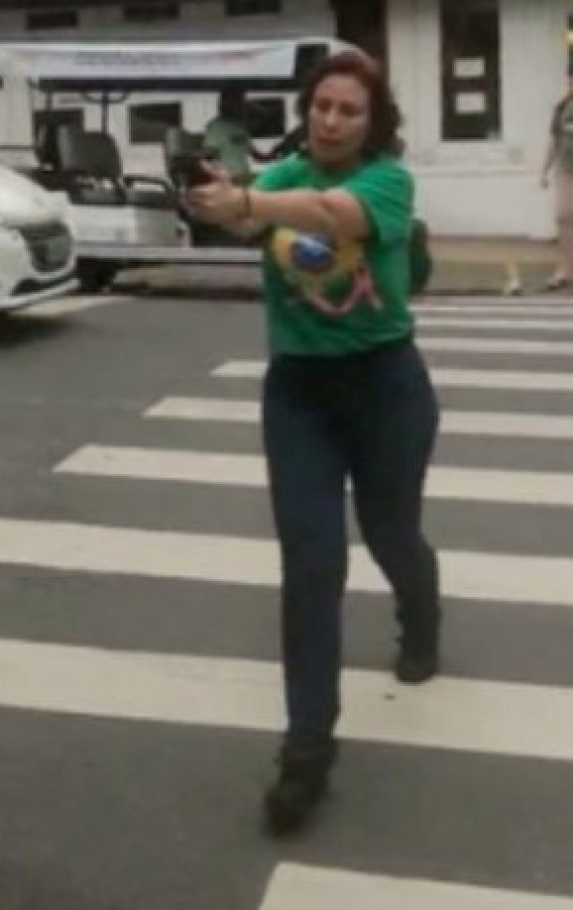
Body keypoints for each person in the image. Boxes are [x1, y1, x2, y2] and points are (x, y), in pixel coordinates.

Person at [183, 50, 441, 837]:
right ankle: (305, 753)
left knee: (390, 532)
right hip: (299, 395)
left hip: (386, 389)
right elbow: (233, 211)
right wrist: (219, 200)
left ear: (373, 123)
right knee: (311, 565)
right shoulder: (277, 176)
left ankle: (421, 615)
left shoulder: (387, 182)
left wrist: (251, 204)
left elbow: (330, 216)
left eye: (348, 110)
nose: (330, 120)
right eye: (321, 106)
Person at [536, 77, 573, 292]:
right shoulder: (561, 109)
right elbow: (554, 140)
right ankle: (566, 268)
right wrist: (544, 169)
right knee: (564, 217)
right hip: (565, 169)